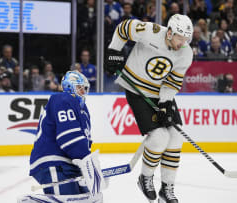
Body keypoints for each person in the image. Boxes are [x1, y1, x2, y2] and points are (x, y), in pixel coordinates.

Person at [105, 14, 194, 203]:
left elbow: (171, 83)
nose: (182, 42)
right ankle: (145, 177)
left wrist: (165, 104)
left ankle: (167, 188)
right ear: (169, 32)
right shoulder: (150, 31)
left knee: (176, 135)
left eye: (186, 39)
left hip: (159, 92)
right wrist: (114, 50)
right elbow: (123, 28)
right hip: (135, 89)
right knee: (159, 137)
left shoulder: (186, 53)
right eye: (179, 37)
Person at [20, 71, 106, 203]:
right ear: (69, 87)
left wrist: (88, 167)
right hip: (54, 161)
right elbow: (69, 138)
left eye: (85, 88)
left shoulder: (83, 110)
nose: (83, 91)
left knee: (89, 199)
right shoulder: (63, 99)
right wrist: (87, 163)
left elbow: (84, 143)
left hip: (68, 165)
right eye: (79, 87)